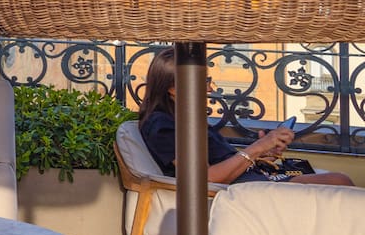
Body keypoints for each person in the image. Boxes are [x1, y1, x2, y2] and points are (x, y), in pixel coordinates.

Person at [135, 49, 353, 186]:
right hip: (240, 193)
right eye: (204, 81)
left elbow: (223, 163)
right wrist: (257, 148)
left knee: (339, 181)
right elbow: (206, 178)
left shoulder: (188, 120)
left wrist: (264, 153)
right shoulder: (163, 126)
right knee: (339, 182)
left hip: (251, 180)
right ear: (173, 88)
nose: (211, 88)